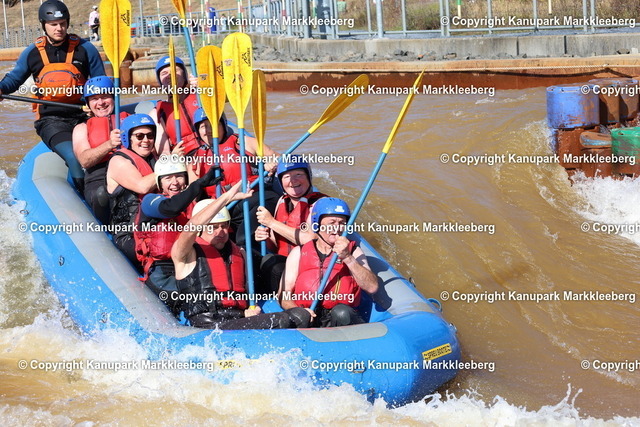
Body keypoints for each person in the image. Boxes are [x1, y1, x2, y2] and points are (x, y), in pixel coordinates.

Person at [0, 0, 105, 194]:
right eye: (53, 24)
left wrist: (98, 106)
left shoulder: (85, 49)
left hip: (84, 116)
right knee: (74, 157)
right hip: (51, 120)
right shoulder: (32, 53)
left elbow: (101, 83)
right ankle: (85, 200)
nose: (59, 28)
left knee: (101, 154)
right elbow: (14, 79)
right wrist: (1, 89)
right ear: (44, 25)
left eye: (63, 23)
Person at [171, 185, 292, 330]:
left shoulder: (240, 253)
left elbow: (247, 292)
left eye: (223, 226)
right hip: (206, 324)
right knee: (285, 320)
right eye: (212, 227)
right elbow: (191, 227)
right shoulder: (185, 253)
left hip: (236, 320)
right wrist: (227, 198)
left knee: (299, 316)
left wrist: (250, 309)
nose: (220, 232)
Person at [134, 156, 222, 312]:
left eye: (179, 176)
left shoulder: (194, 206)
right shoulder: (150, 201)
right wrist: (199, 184)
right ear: (160, 183)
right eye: (168, 178)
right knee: (199, 298)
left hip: (192, 268)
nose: (175, 182)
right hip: (163, 274)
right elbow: (171, 208)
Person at [281, 198, 378, 328]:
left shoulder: (354, 251)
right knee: (299, 315)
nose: (337, 228)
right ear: (317, 225)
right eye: (331, 223)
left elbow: (372, 287)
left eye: (342, 223)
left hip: (339, 320)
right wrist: (298, 311)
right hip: (308, 315)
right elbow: (284, 294)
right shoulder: (299, 252)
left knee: (342, 313)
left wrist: (348, 258)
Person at [255, 156, 327, 293]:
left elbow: (310, 240)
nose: (292, 181)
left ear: (309, 177)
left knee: (274, 265)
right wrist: (265, 237)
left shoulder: (321, 203)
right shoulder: (282, 201)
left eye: (298, 175)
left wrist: (271, 222)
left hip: (311, 266)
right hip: (286, 262)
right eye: (286, 177)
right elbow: (275, 245)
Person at [72, 76, 128, 224]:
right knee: (101, 195)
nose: (100, 103)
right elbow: (84, 160)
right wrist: (109, 144)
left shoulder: (129, 120)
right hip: (98, 177)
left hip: (128, 171)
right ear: (88, 103)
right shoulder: (81, 128)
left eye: (105, 97)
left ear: (113, 97)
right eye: (94, 99)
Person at [106, 114, 160, 266]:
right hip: (128, 233)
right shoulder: (118, 161)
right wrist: (168, 166)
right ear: (127, 138)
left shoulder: (154, 159)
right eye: (139, 136)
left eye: (150, 135)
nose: (146, 140)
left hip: (155, 226)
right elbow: (142, 186)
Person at [149, 56, 199, 154]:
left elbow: (226, 97)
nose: (170, 75)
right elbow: (164, 153)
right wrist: (173, 157)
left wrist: (206, 85)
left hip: (213, 151)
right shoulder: (156, 114)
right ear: (160, 82)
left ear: (184, 75)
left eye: (175, 70)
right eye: (164, 73)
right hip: (186, 157)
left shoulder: (201, 94)